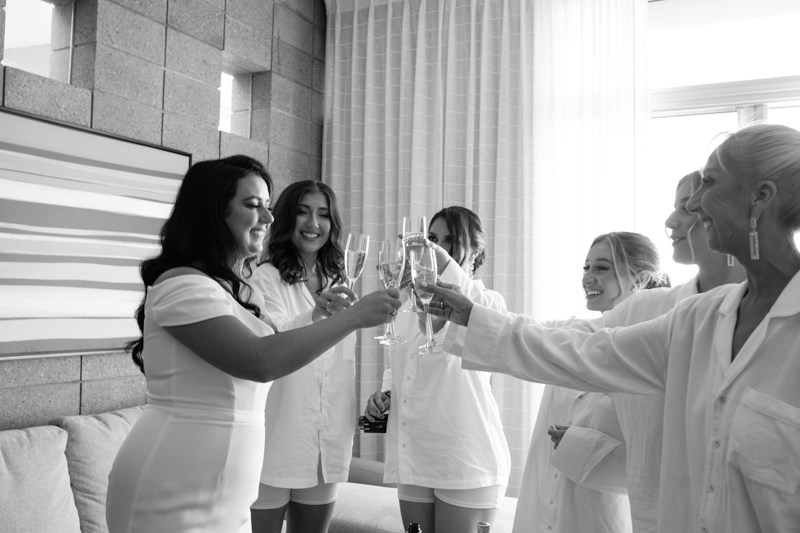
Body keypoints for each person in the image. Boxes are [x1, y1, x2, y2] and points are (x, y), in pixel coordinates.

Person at [424, 124, 800, 532]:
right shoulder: (698, 320)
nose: (694, 202)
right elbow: (588, 349)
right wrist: (472, 317)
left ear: (760, 198)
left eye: (708, 182)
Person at [105, 156, 401, 533]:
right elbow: (261, 362)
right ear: (214, 212)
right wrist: (354, 317)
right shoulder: (181, 286)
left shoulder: (228, 290)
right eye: (252, 204)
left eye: (268, 205)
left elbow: (279, 346)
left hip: (228, 496)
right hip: (173, 485)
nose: (268, 217)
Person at [364, 206, 510, 533]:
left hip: (466, 459)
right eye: (432, 239)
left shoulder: (488, 301)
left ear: (476, 252)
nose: (437, 247)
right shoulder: (404, 309)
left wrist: (444, 264)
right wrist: (385, 396)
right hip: (414, 456)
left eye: (449, 240)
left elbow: (494, 328)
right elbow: (399, 370)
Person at [529, 231, 671, 533]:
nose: (588, 278)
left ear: (641, 279)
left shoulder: (653, 355)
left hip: (603, 519)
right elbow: (519, 331)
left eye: (602, 268)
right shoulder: (574, 334)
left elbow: (660, 461)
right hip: (546, 511)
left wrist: (579, 446)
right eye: (586, 268)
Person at [249, 180, 355, 533]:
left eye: (323, 215)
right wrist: (316, 314)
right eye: (303, 212)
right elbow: (275, 340)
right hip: (278, 435)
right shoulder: (264, 278)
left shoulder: (339, 279)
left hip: (325, 438)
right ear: (285, 219)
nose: (313, 224)